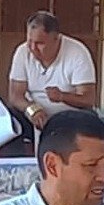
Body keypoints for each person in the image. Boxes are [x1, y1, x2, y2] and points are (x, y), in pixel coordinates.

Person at [8, 11, 96, 140]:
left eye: (40, 43)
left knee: (90, 121)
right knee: (9, 121)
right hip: (33, 112)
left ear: (56, 39)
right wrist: (32, 110)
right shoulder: (22, 52)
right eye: (29, 41)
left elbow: (88, 99)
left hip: (68, 114)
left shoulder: (77, 52)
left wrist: (62, 96)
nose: (33, 48)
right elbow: (15, 96)